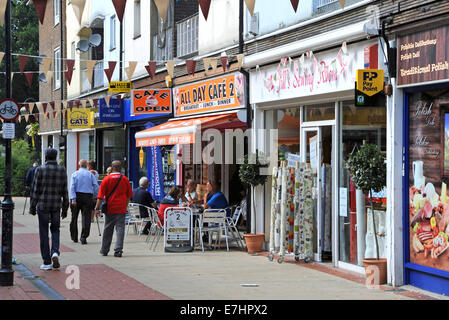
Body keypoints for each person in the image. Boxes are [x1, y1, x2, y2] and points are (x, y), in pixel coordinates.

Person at [30, 148, 69, 271]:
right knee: (55, 230)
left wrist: (32, 206)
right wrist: (65, 208)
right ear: (56, 157)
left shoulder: (39, 170)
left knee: (43, 232)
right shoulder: (62, 170)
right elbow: (65, 191)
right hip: (56, 205)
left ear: (45, 156)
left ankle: (46, 262)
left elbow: (35, 190)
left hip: (43, 205)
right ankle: (55, 252)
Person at [94, 161, 133, 258]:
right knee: (120, 229)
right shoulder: (125, 179)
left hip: (109, 208)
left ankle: (104, 250)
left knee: (107, 228)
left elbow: (100, 196)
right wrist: (125, 205)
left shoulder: (106, 179)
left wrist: (97, 208)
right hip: (121, 208)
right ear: (121, 168)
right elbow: (129, 196)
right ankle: (118, 250)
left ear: (112, 168)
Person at [69, 159, 99, 245]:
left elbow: (72, 187)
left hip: (77, 196)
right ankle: (84, 237)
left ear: (79, 165)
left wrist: (73, 199)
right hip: (87, 197)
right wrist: (94, 196)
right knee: (86, 217)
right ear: (86, 165)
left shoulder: (75, 174)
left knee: (74, 217)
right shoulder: (90, 174)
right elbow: (96, 186)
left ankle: (74, 237)